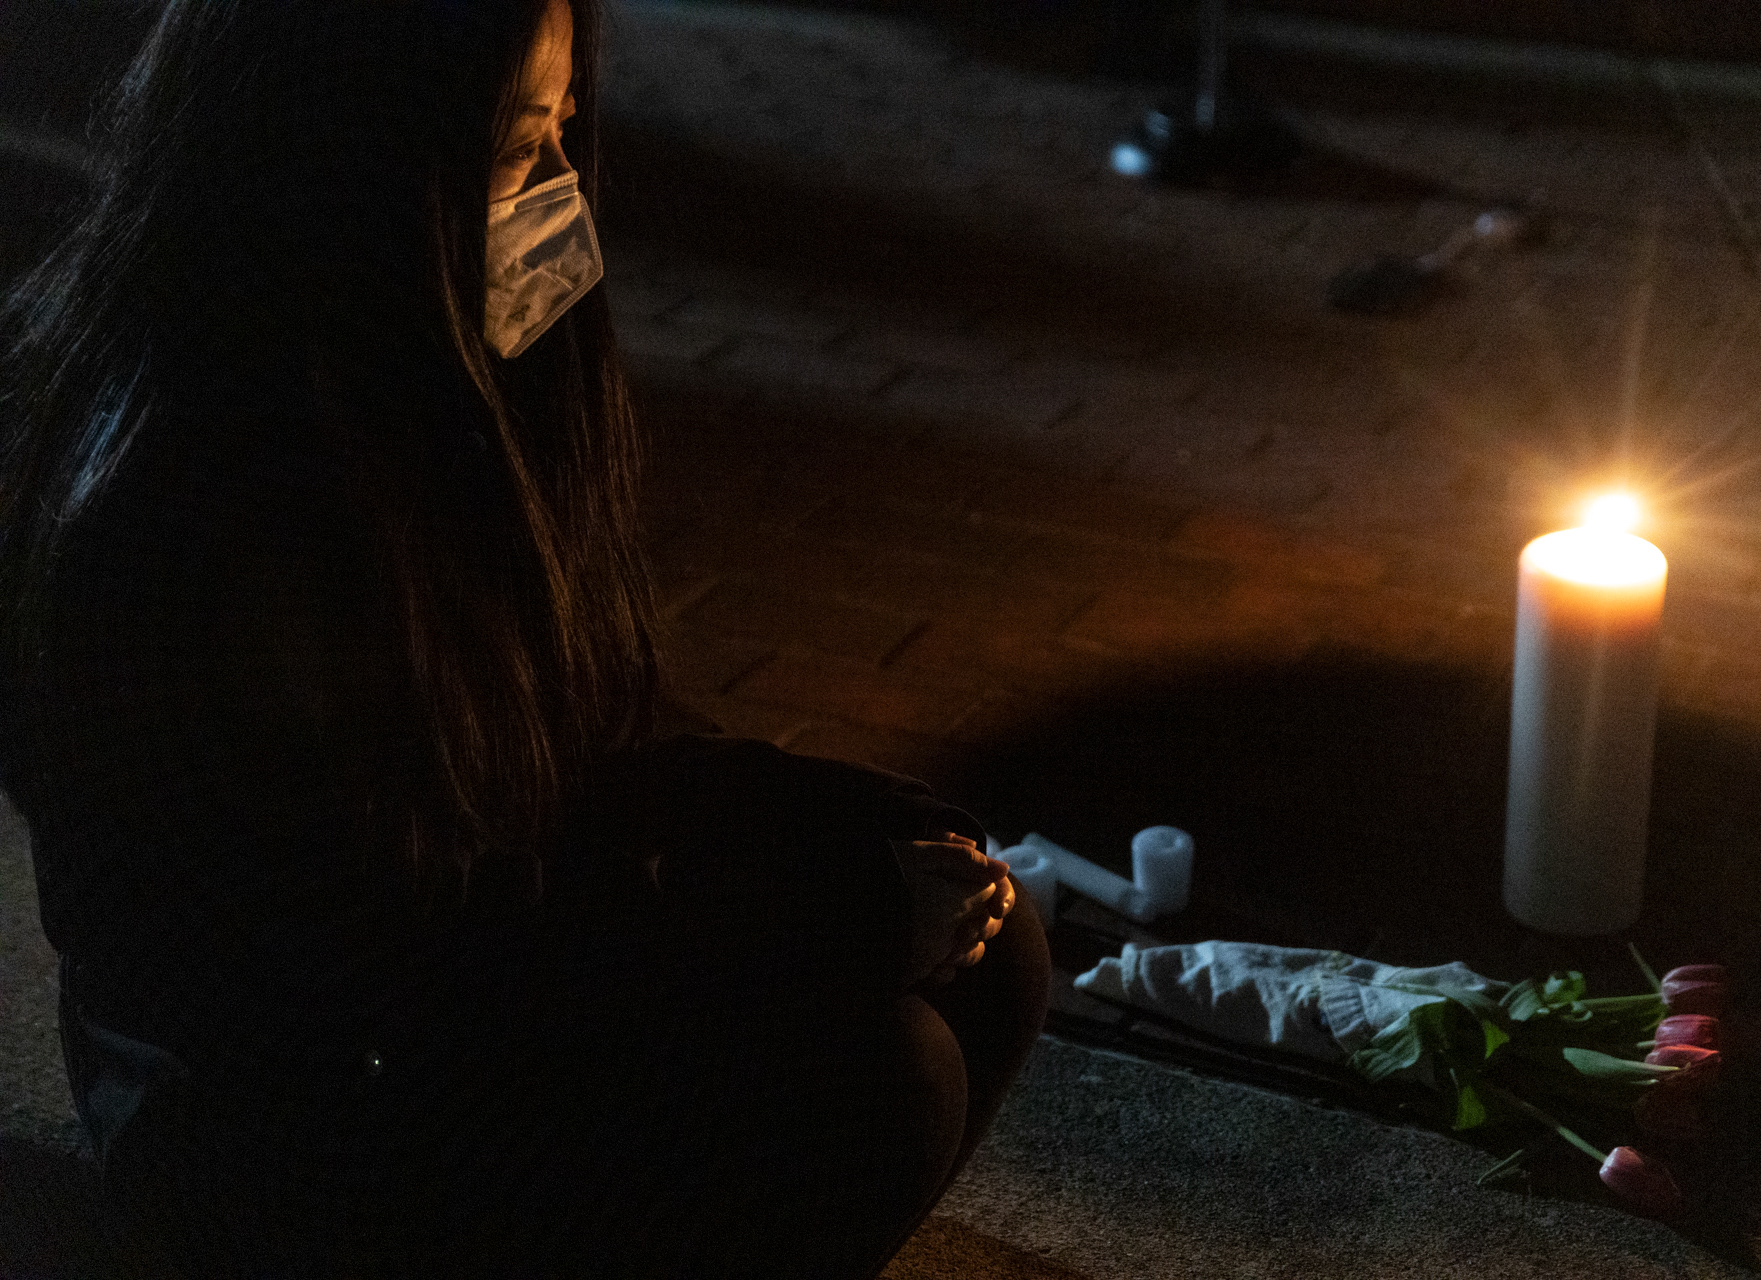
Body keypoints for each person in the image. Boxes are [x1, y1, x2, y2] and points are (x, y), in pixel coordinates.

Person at [0, 1, 1050, 1275]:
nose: (560, 198)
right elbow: (410, 955)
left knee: (985, 953)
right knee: (878, 1078)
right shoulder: (221, 505)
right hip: (273, 1108)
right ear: (355, 152)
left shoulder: (410, 360)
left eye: (563, 131)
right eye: (513, 150)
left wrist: (821, 818)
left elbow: (569, 734)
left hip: (446, 955)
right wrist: (809, 911)